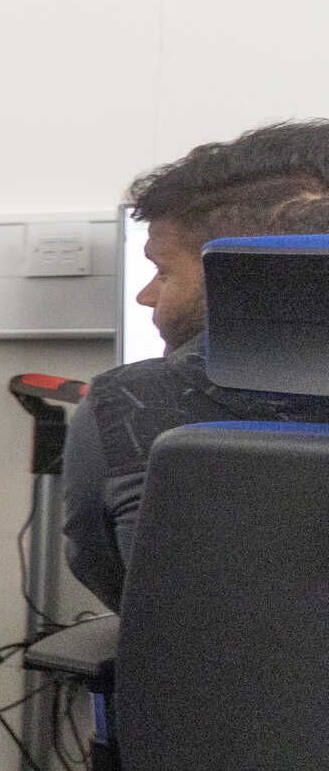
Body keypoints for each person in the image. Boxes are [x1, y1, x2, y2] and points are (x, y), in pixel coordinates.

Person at [62, 125, 329, 609]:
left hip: (216, 684)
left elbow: (122, 590)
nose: (147, 295)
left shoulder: (124, 405)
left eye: (163, 270)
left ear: (234, 269)